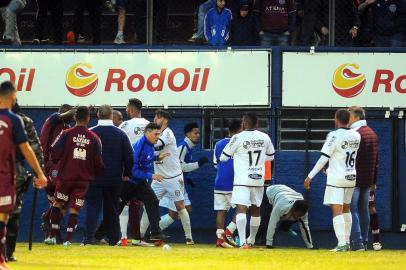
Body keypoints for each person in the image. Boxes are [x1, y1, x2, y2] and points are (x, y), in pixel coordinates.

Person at [0, 80, 47, 269]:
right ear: (13, 97)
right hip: (8, 173)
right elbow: (30, 148)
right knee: (7, 215)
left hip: (10, 172)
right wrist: (40, 173)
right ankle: (5, 255)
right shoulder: (18, 120)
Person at [46, 106, 104, 246]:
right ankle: (68, 240)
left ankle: (52, 236)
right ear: (88, 119)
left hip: (66, 177)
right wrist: (93, 173)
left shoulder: (65, 134)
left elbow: (53, 152)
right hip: (83, 180)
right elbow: (98, 162)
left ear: (74, 118)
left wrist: (60, 162)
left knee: (58, 203)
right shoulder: (94, 137)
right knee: (74, 208)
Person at [304, 109, 360, 252]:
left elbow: (324, 158)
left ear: (336, 120)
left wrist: (310, 176)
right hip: (351, 176)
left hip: (337, 179)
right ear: (349, 120)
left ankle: (342, 244)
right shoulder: (356, 135)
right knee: (347, 209)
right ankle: (346, 242)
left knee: (337, 211)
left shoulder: (334, 135)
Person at [220, 112, 275, 248]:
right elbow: (271, 157)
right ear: (257, 124)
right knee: (256, 210)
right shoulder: (265, 137)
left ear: (243, 124)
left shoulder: (237, 137)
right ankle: (252, 240)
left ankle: (243, 241)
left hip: (242, 180)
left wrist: (238, 156)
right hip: (258, 180)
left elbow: (223, 157)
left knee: (241, 209)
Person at [140, 110, 194, 244]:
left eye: (155, 117)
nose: (154, 120)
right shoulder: (155, 134)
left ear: (161, 119)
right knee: (149, 204)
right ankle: (140, 236)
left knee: (180, 206)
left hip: (173, 177)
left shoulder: (168, 134)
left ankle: (189, 238)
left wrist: (143, 142)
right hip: (159, 178)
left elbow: (157, 145)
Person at [82, 105, 133, 246]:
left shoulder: (90, 132)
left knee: (92, 207)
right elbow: (129, 156)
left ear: (98, 115)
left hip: (94, 178)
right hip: (114, 178)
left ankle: (88, 238)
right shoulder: (121, 134)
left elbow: (84, 156)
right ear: (111, 116)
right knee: (112, 210)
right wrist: (127, 173)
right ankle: (114, 239)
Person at [6, 102, 44, 262]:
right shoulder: (24, 121)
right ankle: (8, 252)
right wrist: (39, 173)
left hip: (13, 171)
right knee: (13, 212)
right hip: (16, 172)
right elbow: (35, 148)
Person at [118, 122, 168, 241]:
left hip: (139, 183)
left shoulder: (150, 144)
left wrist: (157, 158)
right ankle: (98, 235)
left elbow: (145, 159)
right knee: (116, 209)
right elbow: (132, 170)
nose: (158, 137)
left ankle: (155, 232)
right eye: (156, 134)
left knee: (153, 201)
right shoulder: (139, 146)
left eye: (159, 134)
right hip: (129, 182)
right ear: (147, 132)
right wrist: (151, 175)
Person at [158, 122, 209, 232]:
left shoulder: (188, 148)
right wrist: (198, 164)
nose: (198, 135)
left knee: (186, 210)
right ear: (188, 134)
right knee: (175, 213)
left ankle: (157, 228)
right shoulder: (183, 147)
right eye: (196, 133)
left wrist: (187, 178)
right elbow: (180, 167)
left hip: (179, 183)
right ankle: (155, 229)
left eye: (199, 133)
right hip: (174, 183)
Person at [39, 104, 75, 240]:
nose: (72, 118)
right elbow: (64, 115)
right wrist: (78, 110)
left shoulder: (67, 128)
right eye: (71, 115)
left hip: (59, 166)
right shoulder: (53, 119)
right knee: (60, 199)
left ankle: (49, 220)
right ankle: (51, 226)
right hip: (50, 164)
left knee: (60, 200)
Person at [348, 106, 380, 251]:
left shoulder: (354, 133)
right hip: (367, 180)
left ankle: (358, 242)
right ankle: (365, 241)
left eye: (349, 116)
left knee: (351, 209)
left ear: (355, 117)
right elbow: (376, 160)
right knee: (363, 210)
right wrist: (374, 181)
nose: (347, 119)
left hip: (354, 178)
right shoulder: (372, 133)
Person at [118, 98, 150, 245]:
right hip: (143, 170)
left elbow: (118, 143)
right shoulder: (149, 125)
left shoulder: (125, 125)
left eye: (126, 109)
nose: (126, 111)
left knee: (123, 203)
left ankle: (124, 237)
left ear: (131, 110)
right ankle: (137, 238)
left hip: (127, 170)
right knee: (137, 203)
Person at [213, 119, 242, 248]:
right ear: (237, 130)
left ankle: (220, 240)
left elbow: (215, 164)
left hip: (219, 182)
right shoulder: (239, 143)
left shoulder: (218, 144)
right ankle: (228, 232)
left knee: (221, 211)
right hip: (234, 183)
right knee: (243, 208)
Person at [265, 184, 313, 249]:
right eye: (298, 215)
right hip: (269, 192)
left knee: (298, 219)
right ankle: (261, 239)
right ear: (293, 209)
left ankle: (284, 227)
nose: (299, 217)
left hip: (285, 194)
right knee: (265, 221)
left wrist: (310, 247)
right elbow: (272, 224)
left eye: (301, 215)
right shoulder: (281, 207)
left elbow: (305, 228)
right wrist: (269, 244)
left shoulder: (304, 211)